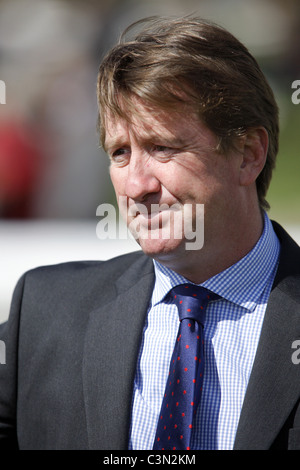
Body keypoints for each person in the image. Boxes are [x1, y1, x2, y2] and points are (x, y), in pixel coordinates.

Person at [0, 16, 299, 451]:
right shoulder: (44, 315)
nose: (137, 185)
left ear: (248, 155)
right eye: (120, 153)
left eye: (162, 147)